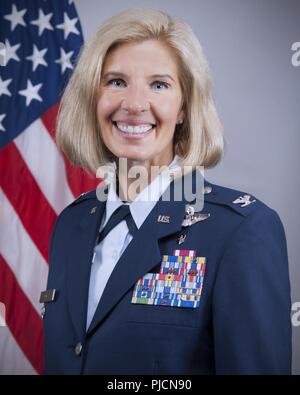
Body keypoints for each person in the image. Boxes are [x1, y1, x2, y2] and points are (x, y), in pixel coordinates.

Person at [42, 8, 292, 374]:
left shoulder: (241, 230)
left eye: (159, 85)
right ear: (92, 98)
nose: (134, 105)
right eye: (116, 81)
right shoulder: (71, 225)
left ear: (184, 108)